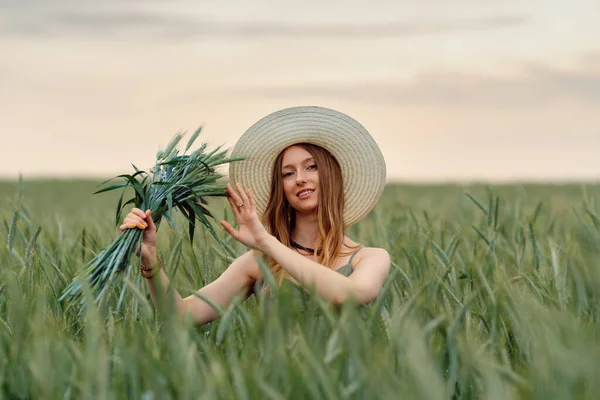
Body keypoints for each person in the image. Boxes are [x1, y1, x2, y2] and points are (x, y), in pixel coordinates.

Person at [120, 106, 391, 326]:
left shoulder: (370, 258)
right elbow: (181, 316)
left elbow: (349, 295)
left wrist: (265, 241)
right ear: (281, 188)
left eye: (311, 167)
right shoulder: (259, 263)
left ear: (331, 176)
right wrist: (150, 260)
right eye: (288, 173)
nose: (300, 179)